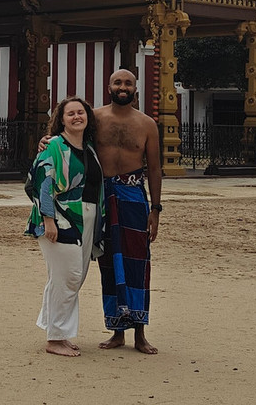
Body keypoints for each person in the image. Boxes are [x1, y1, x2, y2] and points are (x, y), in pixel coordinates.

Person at [38, 69, 162, 354]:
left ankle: (140, 333)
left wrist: (155, 209)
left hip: (133, 195)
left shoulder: (147, 124)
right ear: (108, 86)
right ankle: (117, 330)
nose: (122, 87)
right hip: (101, 195)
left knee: (137, 262)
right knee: (107, 261)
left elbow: (154, 168)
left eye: (128, 83)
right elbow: (68, 138)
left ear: (135, 88)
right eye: (117, 82)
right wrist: (46, 141)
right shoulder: (94, 117)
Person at [25, 96, 105, 357]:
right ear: (61, 119)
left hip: (86, 217)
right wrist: (48, 218)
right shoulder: (54, 146)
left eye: (80, 112)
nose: (76, 117)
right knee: (68, 276)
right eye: (70, 114)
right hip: (61, 218)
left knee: (71, 277)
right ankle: (55, 338)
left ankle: (56, 330)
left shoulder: (89, 147)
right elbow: (41, 182)